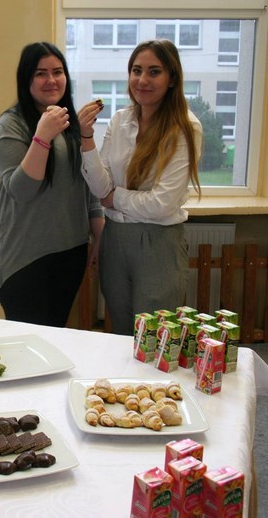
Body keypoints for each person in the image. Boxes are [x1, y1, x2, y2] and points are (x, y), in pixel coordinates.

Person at [77, 39, 202, 335]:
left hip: (158, 243)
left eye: (154, 72)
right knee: (121, 333)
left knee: (154, 339)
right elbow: (100, 187)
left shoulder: (185, 127)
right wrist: (86, 138)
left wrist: (114, 198)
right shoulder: (120, 120)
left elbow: (162, 204)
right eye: (136, 70)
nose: (142, 80)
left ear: (172, 79)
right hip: (115, 238)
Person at [0, 42, 105, 328]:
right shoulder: (11, 125)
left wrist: (100, 239)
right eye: (40, 73)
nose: (51, 80)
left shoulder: (71, 124)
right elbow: (22, 190)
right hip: (24, 255)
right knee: (27, 340)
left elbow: (88, 188)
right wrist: (42, 137)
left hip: (70, 250)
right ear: (26, 79)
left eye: (58, 71)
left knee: (55, 334)